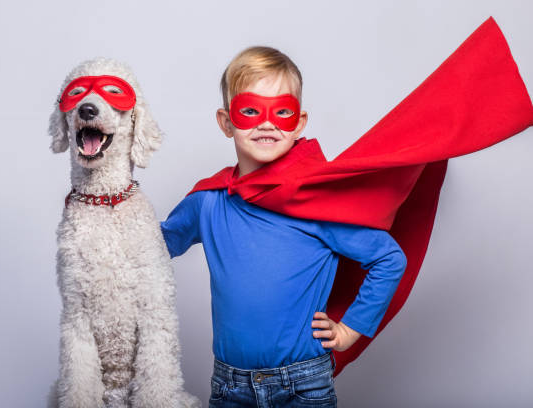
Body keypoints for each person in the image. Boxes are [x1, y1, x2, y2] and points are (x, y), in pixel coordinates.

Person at [160, 46, 407, 407]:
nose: (266, 122)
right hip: (230, 386)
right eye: (249, 110)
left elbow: (388, 259)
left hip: (303, 384)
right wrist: (108, 207)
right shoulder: (208, 201)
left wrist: (351, 329)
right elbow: (155, 245)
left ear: (299, 123)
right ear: (226, 121)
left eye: (282, 111)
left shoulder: (317, 204)